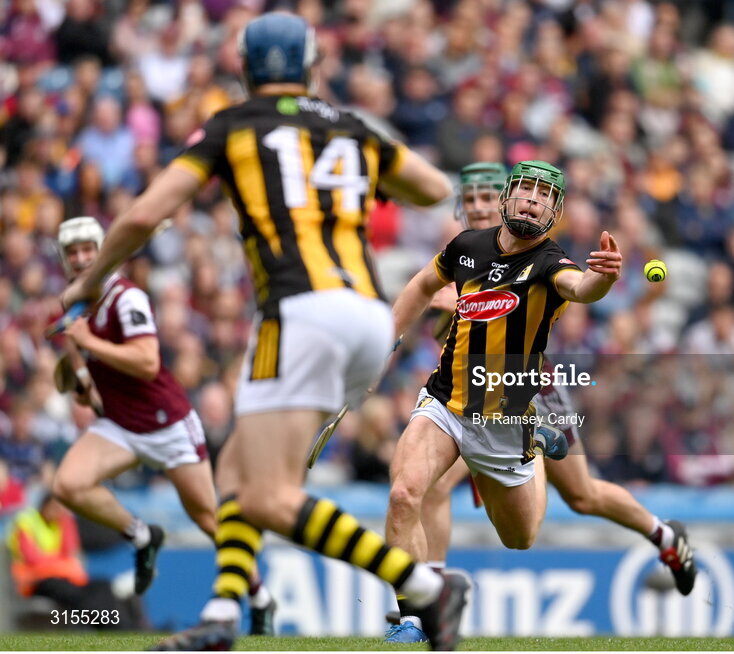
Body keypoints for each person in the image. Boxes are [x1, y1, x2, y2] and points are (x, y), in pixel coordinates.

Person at [62, 13, 467, 651]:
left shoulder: (234, 124)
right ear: (309, 65)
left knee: (268, 495)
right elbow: (433, 186)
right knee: (233, 472)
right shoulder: (349, 125)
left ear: (246, 68)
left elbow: (143, 214)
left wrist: (90, 284)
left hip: (298, 312)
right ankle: (225, 611)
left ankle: (419, 586)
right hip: (367, 314)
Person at [383, 162, 697, 643]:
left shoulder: (551, 262)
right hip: (448, 401)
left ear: (556, 210)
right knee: (410, 492)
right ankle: (417, 615)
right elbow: (425, 290)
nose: (528, 201)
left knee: (561, 510)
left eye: (542, 195)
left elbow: (581, 287)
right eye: (521, 191)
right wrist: (385, 342)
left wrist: (604, 280)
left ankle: (663, 535)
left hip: (528, 399)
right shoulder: (465, 250)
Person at [51, 216, 276, 634]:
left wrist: (89, 343)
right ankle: (141, 536)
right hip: (120, 424)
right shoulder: (73, 301)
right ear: (63, 260)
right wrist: (83, 381)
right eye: (72, 252)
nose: (81, 259)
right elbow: (78, 350)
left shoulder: (127, 298)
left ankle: (259, 597)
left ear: (103, 251)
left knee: (209, 519)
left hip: (167, 424)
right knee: (67, 484)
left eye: (88, 249)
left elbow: (147, 361)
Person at [7, 494, 124, 621]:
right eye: (55, 507)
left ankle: (117, 628)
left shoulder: (61, 522)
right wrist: (61, 563)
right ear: (44, 505)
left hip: (61, 577)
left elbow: (70, 551)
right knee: (74, 594)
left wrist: (67, 521)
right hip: (35, 581)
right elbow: (32, 559)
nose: (58, 512)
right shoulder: (26, 522)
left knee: (102, 586)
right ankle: (99, 624)